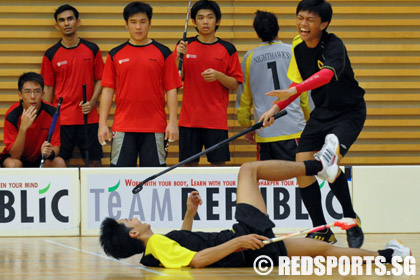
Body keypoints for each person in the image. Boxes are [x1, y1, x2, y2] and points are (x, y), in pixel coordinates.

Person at [99, 145, 411, 268]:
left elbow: (185, 248)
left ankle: (388, 256)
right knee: (249, 169)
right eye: (129, 219)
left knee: (326, 252)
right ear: (133, 233)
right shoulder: (155, 245)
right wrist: (238, 240)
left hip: (250, 248)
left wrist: (190, 214)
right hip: (243, 238)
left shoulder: (157, 251)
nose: (133, 216)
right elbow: (197, 260)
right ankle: (320, 166)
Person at [259, 0, 366, 248]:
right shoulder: (297, 47)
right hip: (322, 113)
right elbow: (295, 89)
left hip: (349, 112)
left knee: (328, 165)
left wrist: (295, 89)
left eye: (310, 20)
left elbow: (326, 74)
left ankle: (351, 219)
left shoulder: (334, 45)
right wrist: (275, 109)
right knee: (303, 166)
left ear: (324, 24)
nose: (303, 24)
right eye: (300, 17)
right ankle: (321, 229)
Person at [98, 2, 182, 167]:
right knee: (119, 177)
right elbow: (107, 90)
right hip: (123, 127)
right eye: (133, 22)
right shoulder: (115, 54)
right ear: (126, 24)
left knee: (154, 180)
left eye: (143, 22)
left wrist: (173, 122)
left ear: (150, 23)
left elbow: (171, 89)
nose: (138, 27)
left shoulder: (163, 53)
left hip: (155, 127)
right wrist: (102, 124)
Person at [176, 0, 243, 166]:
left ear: (218, 21)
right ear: (194, 22)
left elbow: (235, 83)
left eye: (210, 17)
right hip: (189, 120)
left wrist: (219, 76)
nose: (205, 22)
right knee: (189, 167)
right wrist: (179, 56)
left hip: (216, 120)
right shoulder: (184, 45)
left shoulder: (228, 48)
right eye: (200, 18)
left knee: (218, 166)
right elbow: (177, 80)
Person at [237, 10, 310, 161]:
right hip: (293, 128)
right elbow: (304, 92)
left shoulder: (250, 58)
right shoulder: (293, 52)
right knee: (297, 178)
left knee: (267, 181)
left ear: (257, 33)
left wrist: (245, 125)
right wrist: (311, 117)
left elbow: (244, 96)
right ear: (278, 28)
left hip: (265, 131)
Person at [41, 4, 104, 167]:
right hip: (62, 119)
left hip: (88, 118)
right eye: (62, 20)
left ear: (78, 22)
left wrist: (92, 102)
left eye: (70, 19)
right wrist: (48, 118)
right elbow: (48, 88)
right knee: (58, 162)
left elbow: (100, 79)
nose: (66, 23)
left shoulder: (92, 49)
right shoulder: (51, 54)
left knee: (95, 163)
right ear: (57, 25)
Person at [0, 72, 66, 168]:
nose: (32, 96)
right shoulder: (12, 115)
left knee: (59, 162)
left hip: (40, 157)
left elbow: (56, 146)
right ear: (20, 94)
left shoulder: (53, 113)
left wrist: (49, 153)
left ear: (43, 94)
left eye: (37, 91)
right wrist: (23, 129)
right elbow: (15, 155)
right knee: (13, 164)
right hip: (18, 158)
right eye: (27, 91)